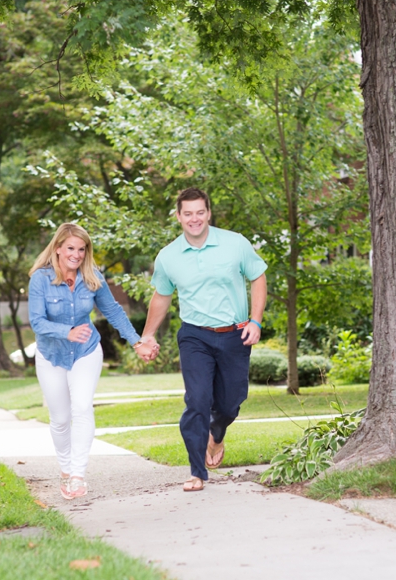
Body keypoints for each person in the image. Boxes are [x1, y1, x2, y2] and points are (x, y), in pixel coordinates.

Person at [141, 188, 267, 492]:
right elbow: (161, 296)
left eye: (200, 212)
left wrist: (256, 320)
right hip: (195, 335)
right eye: (188, 213)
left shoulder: (235, 243)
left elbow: (258, 276)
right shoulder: (168, 256)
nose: (194, 219)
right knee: (197, 401)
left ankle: (217, 433)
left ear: (208, 213)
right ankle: (197, 471)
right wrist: (148, 334)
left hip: (235, 333)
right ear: (178, 216)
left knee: (231, 402)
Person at [28, 223, 158, 500]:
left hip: (86, 351)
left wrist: (136, 342)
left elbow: (113, 311)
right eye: (71, 248)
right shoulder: (41, 279)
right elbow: (37, 322)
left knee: (83, 407)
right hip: (51, 355)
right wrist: (67, 332)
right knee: (60, 419)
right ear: (59, 248)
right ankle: (65, 469)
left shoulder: (92, 277)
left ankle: (77, 475)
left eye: (82, 249)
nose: (76, 254)